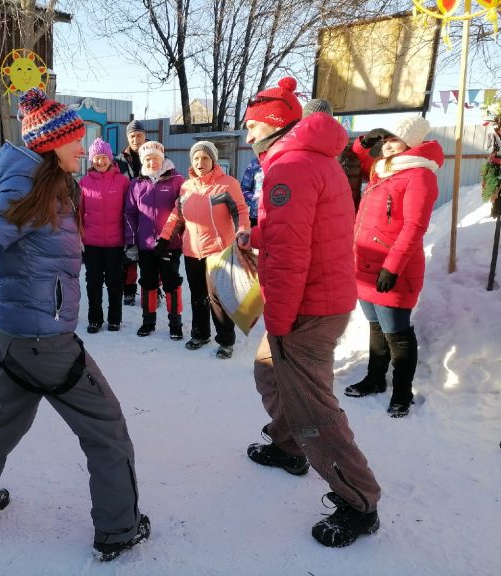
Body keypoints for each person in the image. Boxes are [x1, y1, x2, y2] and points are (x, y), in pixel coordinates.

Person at [0, 88, 150, 561]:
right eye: (76, 139)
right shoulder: (29, 186)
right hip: (44, 340)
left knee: (4, 418)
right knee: (106, 427)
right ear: (51, 143)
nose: (84, 146)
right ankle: (119, 528)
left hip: (17, 332)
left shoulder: (41, 182)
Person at [240, 77, 381, 548]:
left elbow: (292, 256)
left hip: (307, 310)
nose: (247, 138)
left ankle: (359, 502)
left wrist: (279, 323)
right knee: (268, 373)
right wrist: (254, 236)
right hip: (318, 301)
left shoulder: (291, 168)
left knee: (312, 409)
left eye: (252, 127)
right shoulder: (308, 161)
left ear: (275, 127)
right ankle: (288, 449)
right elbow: (300, 231)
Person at [344, 117, 444, 418]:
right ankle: (375, 379)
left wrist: (393, 267)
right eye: (384, 138)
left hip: (391, 269)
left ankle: (403, 392)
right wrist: (364, 141)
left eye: (394, 139)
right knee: (376, 327)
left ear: (411, 143)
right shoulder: (382, 170)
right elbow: (355, 157)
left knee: (397, 333)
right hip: (363, 264)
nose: (386, 144)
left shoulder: (419, 176)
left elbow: (414, 227)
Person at [157, 140, 249, 358]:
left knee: (218, 298)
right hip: (192, 251)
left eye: (205, 158)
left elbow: (241, 212)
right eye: (196, 158)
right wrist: (164, 238)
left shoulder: (228, 184)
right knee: (198, 295)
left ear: (213, 160)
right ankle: (200, 333)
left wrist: (243, 233)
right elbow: (176, 216)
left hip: (218, 251)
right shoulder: (187, 187)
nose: (200, 162)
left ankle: (226, 341)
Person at [124, 140, 185, 338]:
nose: (152, 162)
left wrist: (178, 236)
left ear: (162, 159)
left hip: (170, 244)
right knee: (148, 282)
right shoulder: (136, 184)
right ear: (143, 161)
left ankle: (175, 322)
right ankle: (148, 321)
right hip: (146, 245)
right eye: (147, 159)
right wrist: (132, 242)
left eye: (155, 158)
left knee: (171, 283)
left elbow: (183, 211)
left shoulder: (177, 181)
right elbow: (130, 213)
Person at [79, 138, 130, 333]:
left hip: (115, 242)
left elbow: (129, 210)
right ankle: (95, 319)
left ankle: (115, 319)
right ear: (91, 160)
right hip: (91, 243)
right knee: (93, 283)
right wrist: (79, 236)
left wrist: (128, 237)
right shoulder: (84, 182)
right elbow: (79, 212)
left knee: (115, 283)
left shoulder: (122, 181)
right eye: (96, 158)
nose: (100, 161)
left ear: (110, 159)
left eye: (103, 157)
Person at [115, 119, 146, 306]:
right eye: (132, 136)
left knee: (151, 256)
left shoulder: (153, 156)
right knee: (128, 255)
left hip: (150, 214)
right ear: (128, 137)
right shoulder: (119, 161)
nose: (136, 139)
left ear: (145, 136)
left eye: (139, 135)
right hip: (126, 213)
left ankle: (152, 289)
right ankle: (129, 290)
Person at [239, 157, 262, 228]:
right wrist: (256, 200)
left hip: (279, 217)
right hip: (256, 217)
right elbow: (244, 189)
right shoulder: (255, 163)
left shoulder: (284, 160)